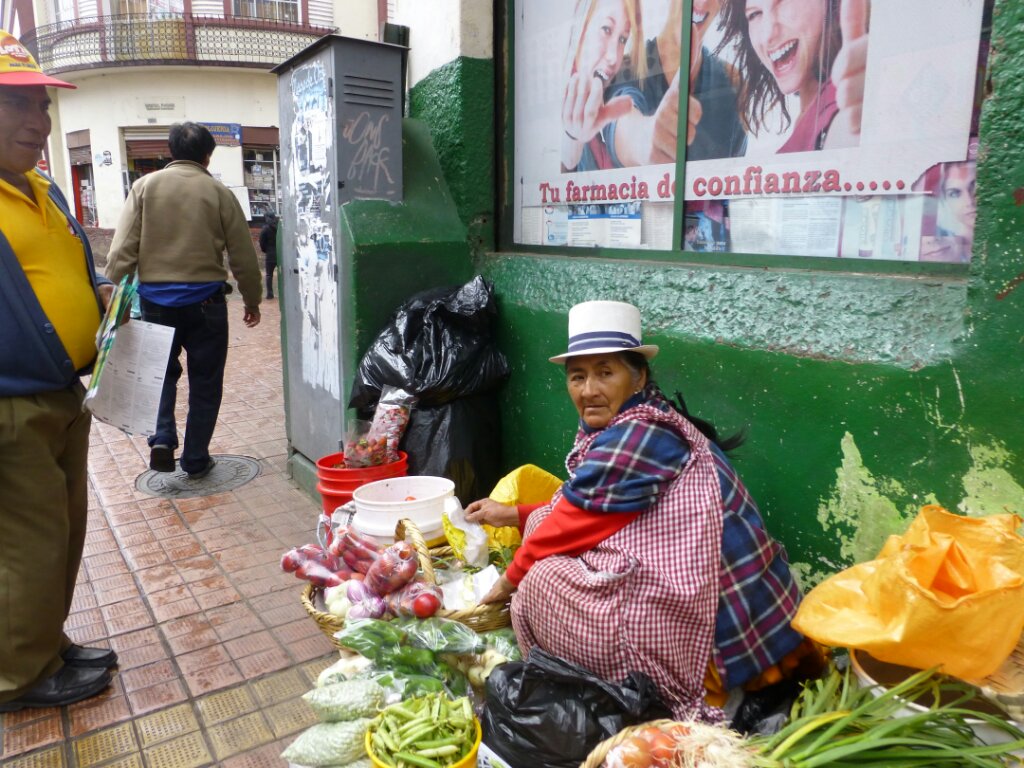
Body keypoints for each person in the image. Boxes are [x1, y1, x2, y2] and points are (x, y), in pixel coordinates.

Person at [465, 300, 822, 722]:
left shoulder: (641, 433)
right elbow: (585, 503)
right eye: (577, 376)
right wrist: (514, 514)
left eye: (605, 373)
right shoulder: (632, 419)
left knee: (540, 582)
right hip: (698, 583)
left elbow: (573, 520)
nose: (588, 389)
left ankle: (686, 694)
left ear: (639, 376)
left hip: (721, 627)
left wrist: (505, 584)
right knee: (542, 528)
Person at [0, 29, 118, 711]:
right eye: (15, 104)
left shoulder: (42, 187)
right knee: (28, 540)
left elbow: (68, 264)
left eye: (40, 105)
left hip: (64, 393)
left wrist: (97, 289)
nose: (36, 120)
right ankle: (17, 676)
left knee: (64, 531)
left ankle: (44, 640)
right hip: (11, 404)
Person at [105, 121, 262, 478]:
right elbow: (243, 254)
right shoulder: (219, 192)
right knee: (206, 382)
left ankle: (162, 437)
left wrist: (113, 299)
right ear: (208, 155)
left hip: (155, 303)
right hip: (207, 303)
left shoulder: (144, 187)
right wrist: (252, 300)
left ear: (170, 152)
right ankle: (195, 458)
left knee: (159, 375)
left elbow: (121, 251)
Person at [607, 0, 747, 165]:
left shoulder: (734, 83)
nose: (702, 2)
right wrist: (646, 140)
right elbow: (623, 124)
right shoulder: (621, 70)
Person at [717, 0, 868, 153]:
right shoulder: (809, 113)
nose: (768, 35)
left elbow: (848, 131)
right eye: (754, 14)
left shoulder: (846, 103)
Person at [561, 0, 645, 172]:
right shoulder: (553, 96)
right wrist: (572, 139)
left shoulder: (616, 89)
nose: (614, 57)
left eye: (622, 39)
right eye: (606, 29)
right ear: (580, 27)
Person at [259, 211, 279, 299]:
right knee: (283, 274)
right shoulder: (279, 227)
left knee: (269, 275)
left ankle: (270, 294)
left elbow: (262, 242)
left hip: (270, 254)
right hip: (280, 253)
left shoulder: (265, 228)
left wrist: (265, 250)